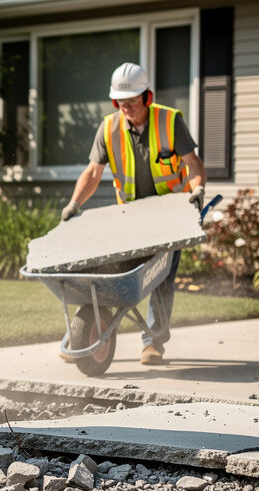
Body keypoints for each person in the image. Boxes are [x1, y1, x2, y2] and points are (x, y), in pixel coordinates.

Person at [60, 62, 206, 366]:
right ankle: (84, 331)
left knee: (161, 279)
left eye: (132, 102)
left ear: (147, 97)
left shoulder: (170, 122)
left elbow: (193, 163)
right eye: (119, 103)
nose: (125, 108)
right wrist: (74, 204)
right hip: (131, 218)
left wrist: (197, 189)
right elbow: (92, 172)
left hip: (170, 218)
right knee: (106, 270)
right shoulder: (109, 128)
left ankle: (153, 343)